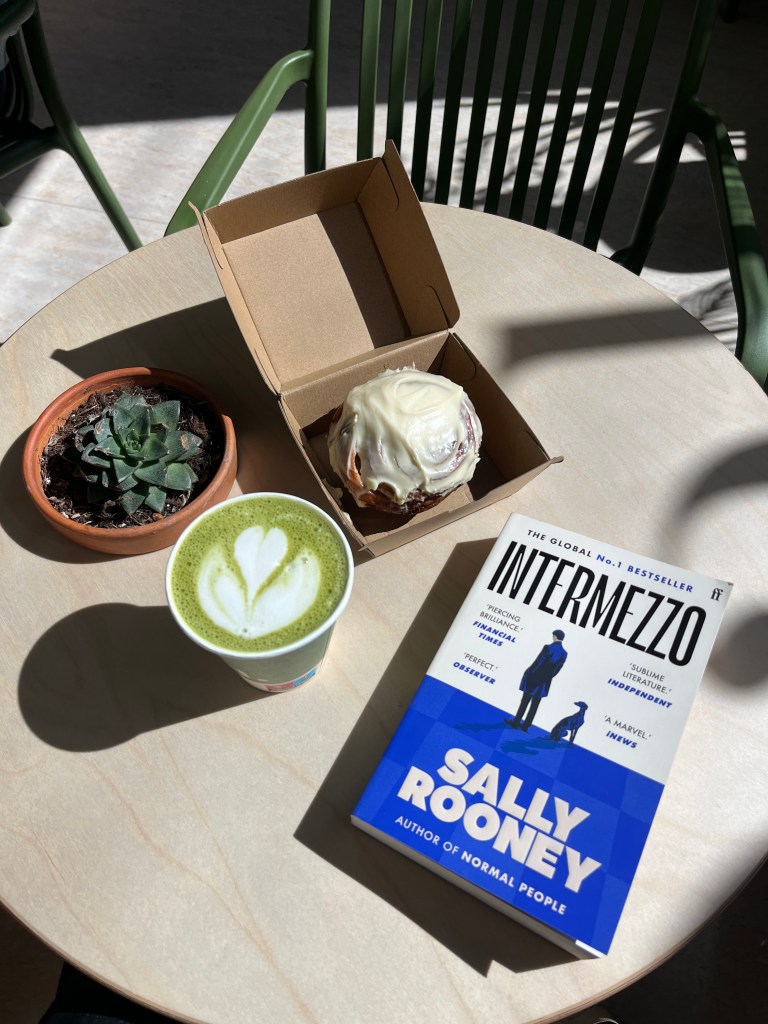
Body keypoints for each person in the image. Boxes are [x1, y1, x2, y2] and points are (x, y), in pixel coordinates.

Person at [507, 629, 567, 732]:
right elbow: (557, 669)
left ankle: (516, 722)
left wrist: (528, 673)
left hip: (534, 679)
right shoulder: (564, 653)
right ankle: (526, 726)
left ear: (555, 636)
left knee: (524, 701)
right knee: (535, 705)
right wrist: (548, 677)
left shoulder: (548, 647)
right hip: (545, 683)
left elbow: (538, 663)